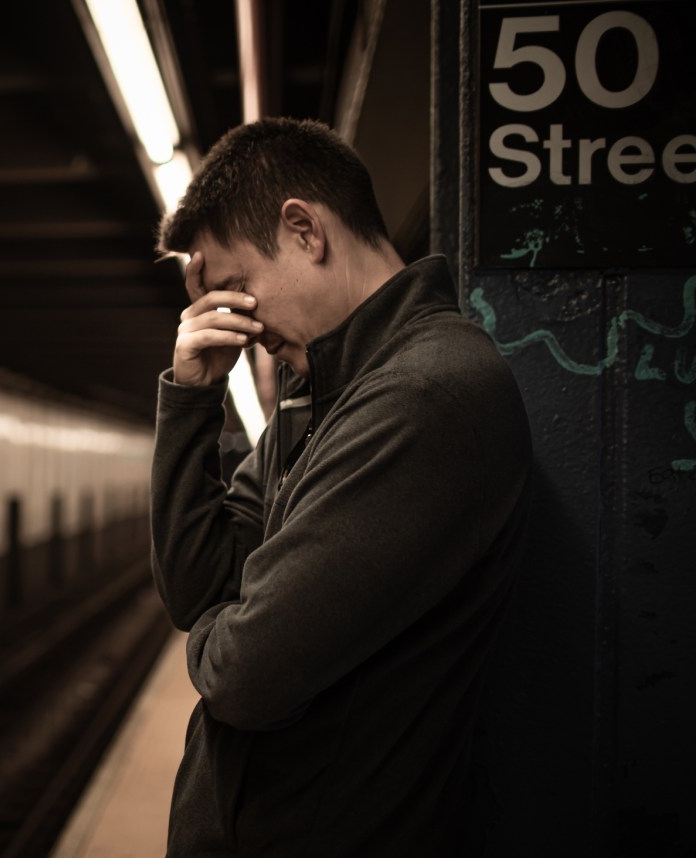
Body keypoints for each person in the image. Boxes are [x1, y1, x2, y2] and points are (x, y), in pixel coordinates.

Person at [150, 117, 532, 856]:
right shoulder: (320, 395)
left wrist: (218, 638)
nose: (241, 325)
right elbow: (198, 588)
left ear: (304, 231)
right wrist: (191, 396)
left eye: (237, 288)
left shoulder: (426, 395)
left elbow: (245, 674)